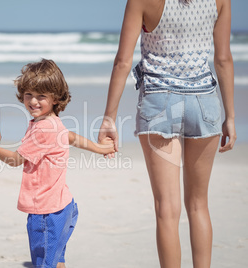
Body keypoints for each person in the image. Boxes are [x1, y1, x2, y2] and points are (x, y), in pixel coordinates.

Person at [98, 0, 236, 267]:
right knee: (198, 205)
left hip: (159, 102)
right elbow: (223, 58)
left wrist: (109, 118)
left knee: (167, 210)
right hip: (204, 103)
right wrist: (230, 116)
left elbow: (122, 61)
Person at [0, 59, 115, 268]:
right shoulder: (53, 122)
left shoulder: (43, 129)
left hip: (46, 212)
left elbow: (15, 160)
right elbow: (71, 137)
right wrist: (100, 148)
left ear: (55, 98)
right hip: (65, 206)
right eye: (28, 94)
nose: (33, 101)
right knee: (56, 260)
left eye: (41, 96)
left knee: (45, 263)